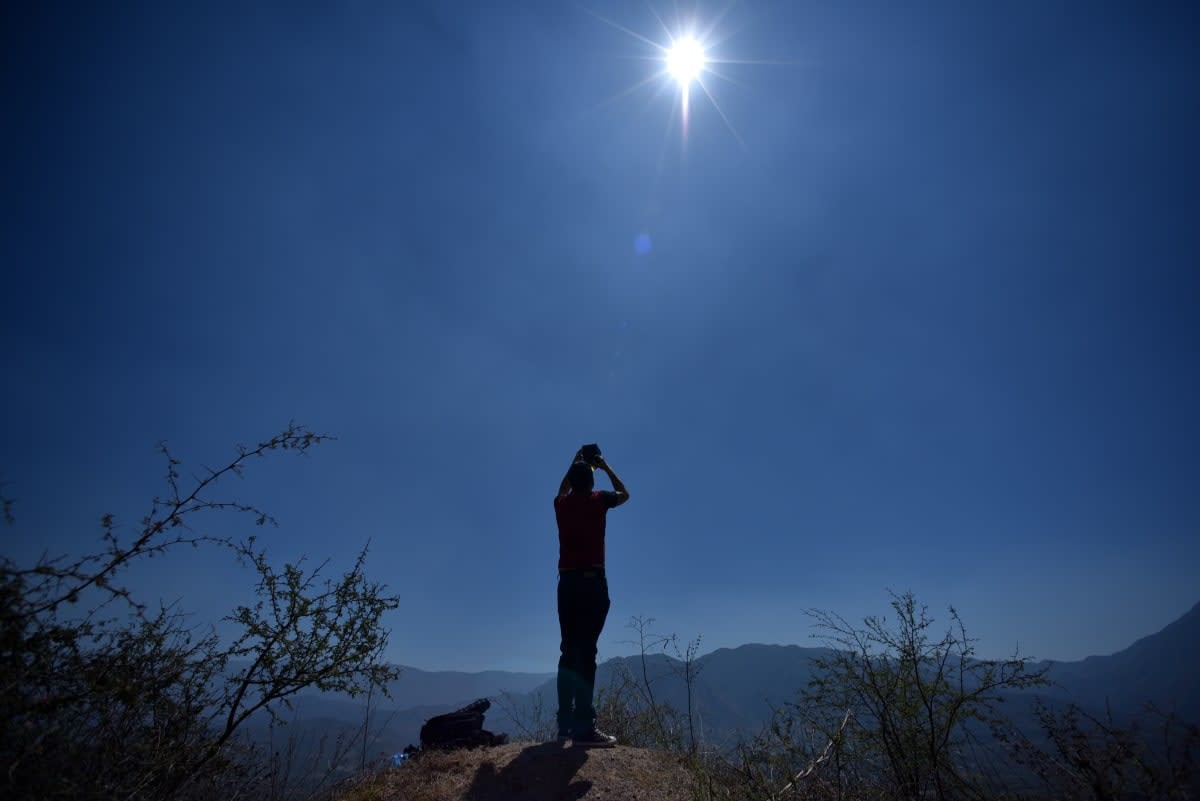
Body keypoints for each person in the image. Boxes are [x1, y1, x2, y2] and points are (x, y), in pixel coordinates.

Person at [553, 448, 629, 747]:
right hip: (592, 584)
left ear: (573, 482)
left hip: (567, 585)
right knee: (587, 654)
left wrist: (575, 461)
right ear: (592, 483)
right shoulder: (599, 501)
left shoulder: (561, 505)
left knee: (567, 653)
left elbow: (562, 488)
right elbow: (624, 493)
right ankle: (585, 728)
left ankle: (565, 725)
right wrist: (605, 464)